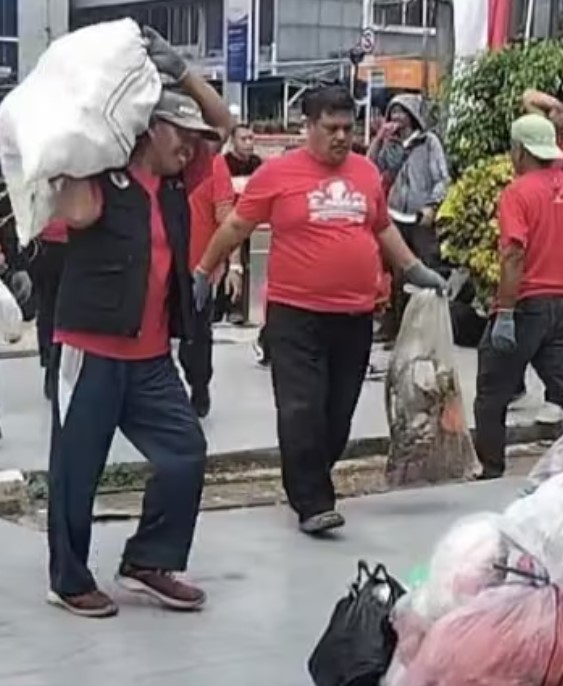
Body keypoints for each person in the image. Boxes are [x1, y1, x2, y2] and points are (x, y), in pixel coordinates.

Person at [196, 85, 446, 535]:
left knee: (338, 414)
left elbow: (382, 226)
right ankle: (312, 501)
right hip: (295, 314)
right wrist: (204, 269)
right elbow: (236, 223)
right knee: (300, 408)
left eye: (348, 128)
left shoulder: (366, 173)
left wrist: (413, 268)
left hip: (353, 315)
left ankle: (311, 476)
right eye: (330, 128)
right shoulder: (277, 174)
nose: (341, 137)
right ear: (307, 127)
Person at [46, 28, 233, 618]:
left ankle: (148, 560)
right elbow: (73, 210)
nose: (192, 146)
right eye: (181, 134)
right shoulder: (102, 180)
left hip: (151, 358)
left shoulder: (177, 184)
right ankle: (69, 578)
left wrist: (182, 74)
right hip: (91, 351)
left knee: (185, 453)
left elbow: (224, 123)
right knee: (78, 469)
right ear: (150, 129)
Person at [474, 115, 563, 480]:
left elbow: (513, 253)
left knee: (492, 393)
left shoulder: (518, 192)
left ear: (519, 150)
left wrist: (506, 312)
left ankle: (491, 470)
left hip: (527, 303)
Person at [368, 93, 450, 340]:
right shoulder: (392, 145)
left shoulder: (428, 142)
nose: (397, 117)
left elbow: (442, 177)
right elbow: (371, 167)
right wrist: (380, 138)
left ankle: (423, 328)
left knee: (423, 268)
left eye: (402, 112)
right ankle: (393, 327)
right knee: (395, 275)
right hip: (394, 216)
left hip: (419, 217)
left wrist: (432, 205)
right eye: (393, 112)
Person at [177, 141, 237, 418]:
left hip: (200, 265)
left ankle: (199, 386)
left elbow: (227, 218)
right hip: (162, 265)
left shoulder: (214, 163)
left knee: (197, 334)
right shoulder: (158, 160)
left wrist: (232, 263)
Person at [217, 123, 263, 327]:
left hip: (250, 221)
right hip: (227, 220)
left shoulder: (258, 164)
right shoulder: (224, 164)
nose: (248, 143)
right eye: (243, 139)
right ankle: (222, 307)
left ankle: (239, 309)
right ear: (232, 141)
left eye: (251, 138)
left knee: (245, 263)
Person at [31, 220, 69, 400]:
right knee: (50, 310)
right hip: (50, 243)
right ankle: (52, 367)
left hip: (75, 241)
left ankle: (54, 367)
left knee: (52, 310)